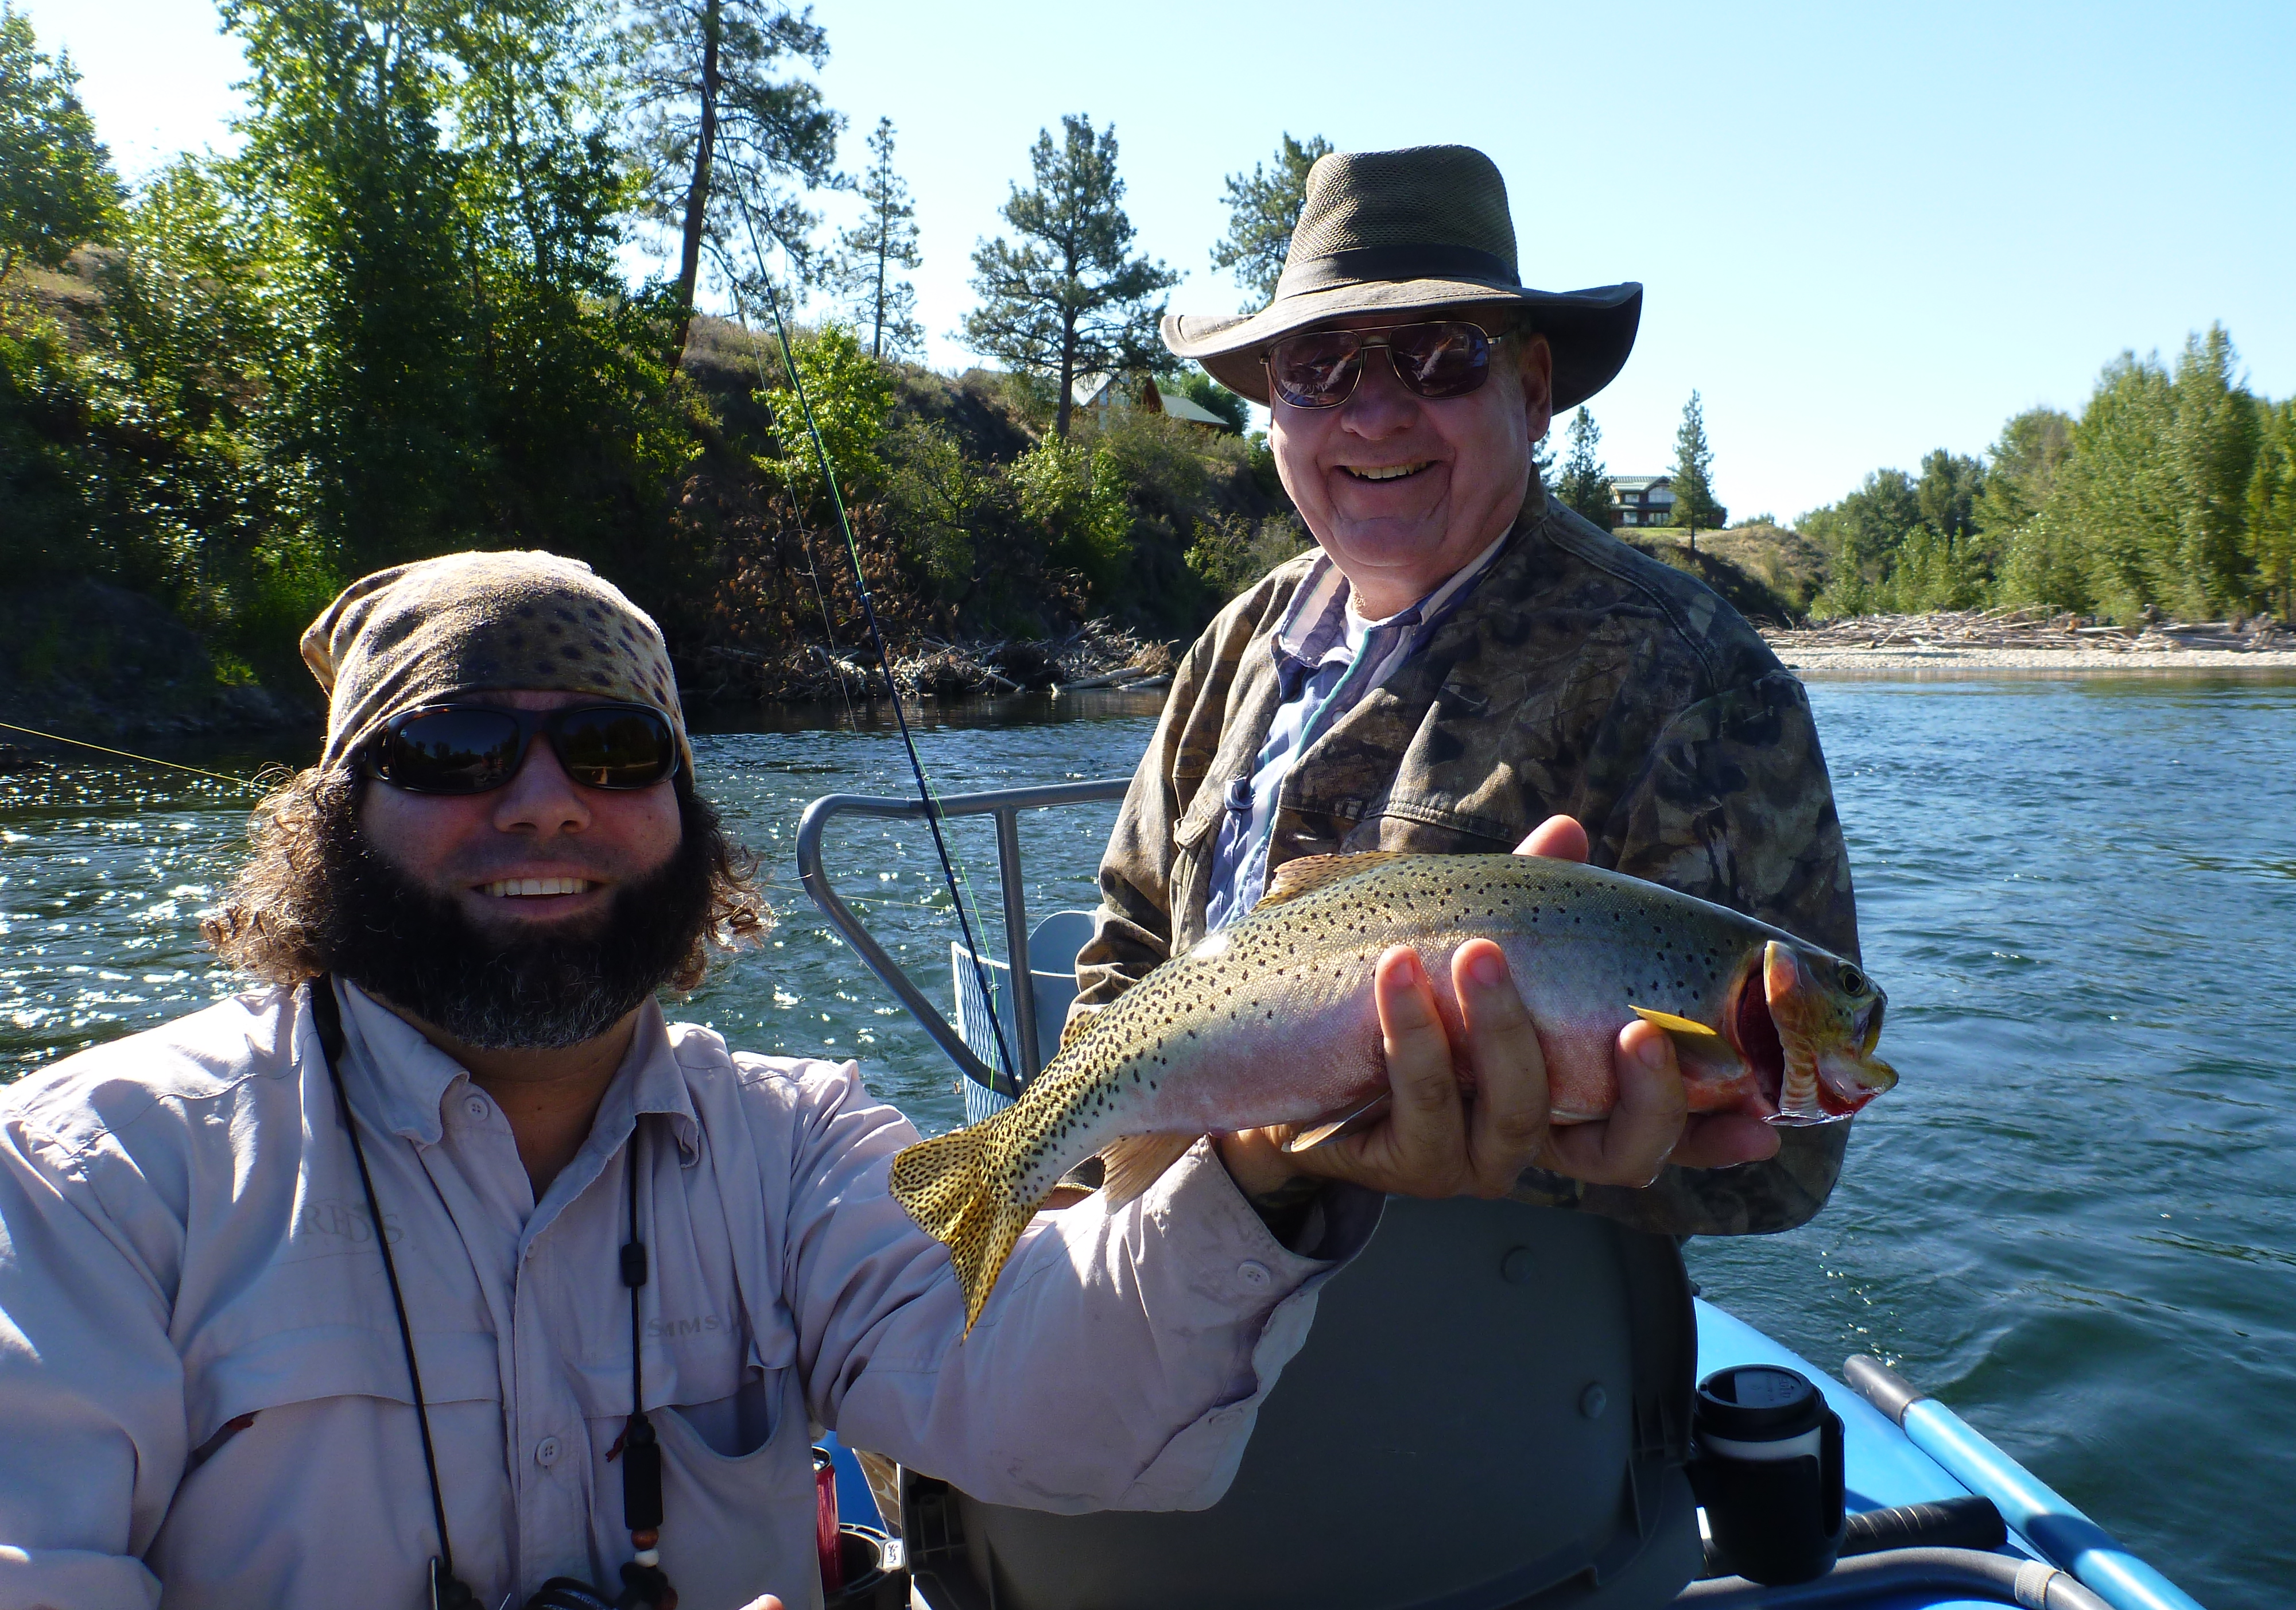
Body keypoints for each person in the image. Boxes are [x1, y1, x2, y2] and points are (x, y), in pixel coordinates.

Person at [0, 549, 1702, 1610]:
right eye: (451, 751)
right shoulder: (92, 1183)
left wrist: (1268, 1167)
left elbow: (1063, 1417)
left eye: (611, 747)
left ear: (684, 816)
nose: (543, 801)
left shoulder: (797, 1142)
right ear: (332, 824)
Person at [1081, 143, 1863, 1231]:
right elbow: (1128, 944)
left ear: (1531, 391)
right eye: (1318, 368)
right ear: (1274, 408)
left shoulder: (1695, 681)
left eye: (1439, 356)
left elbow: (1788, 1163)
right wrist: (1075, 1197)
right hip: (1156, 1291)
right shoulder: (1233, 646)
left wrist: (1536, 1142)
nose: (1373, 415)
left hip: (1493, 1327)